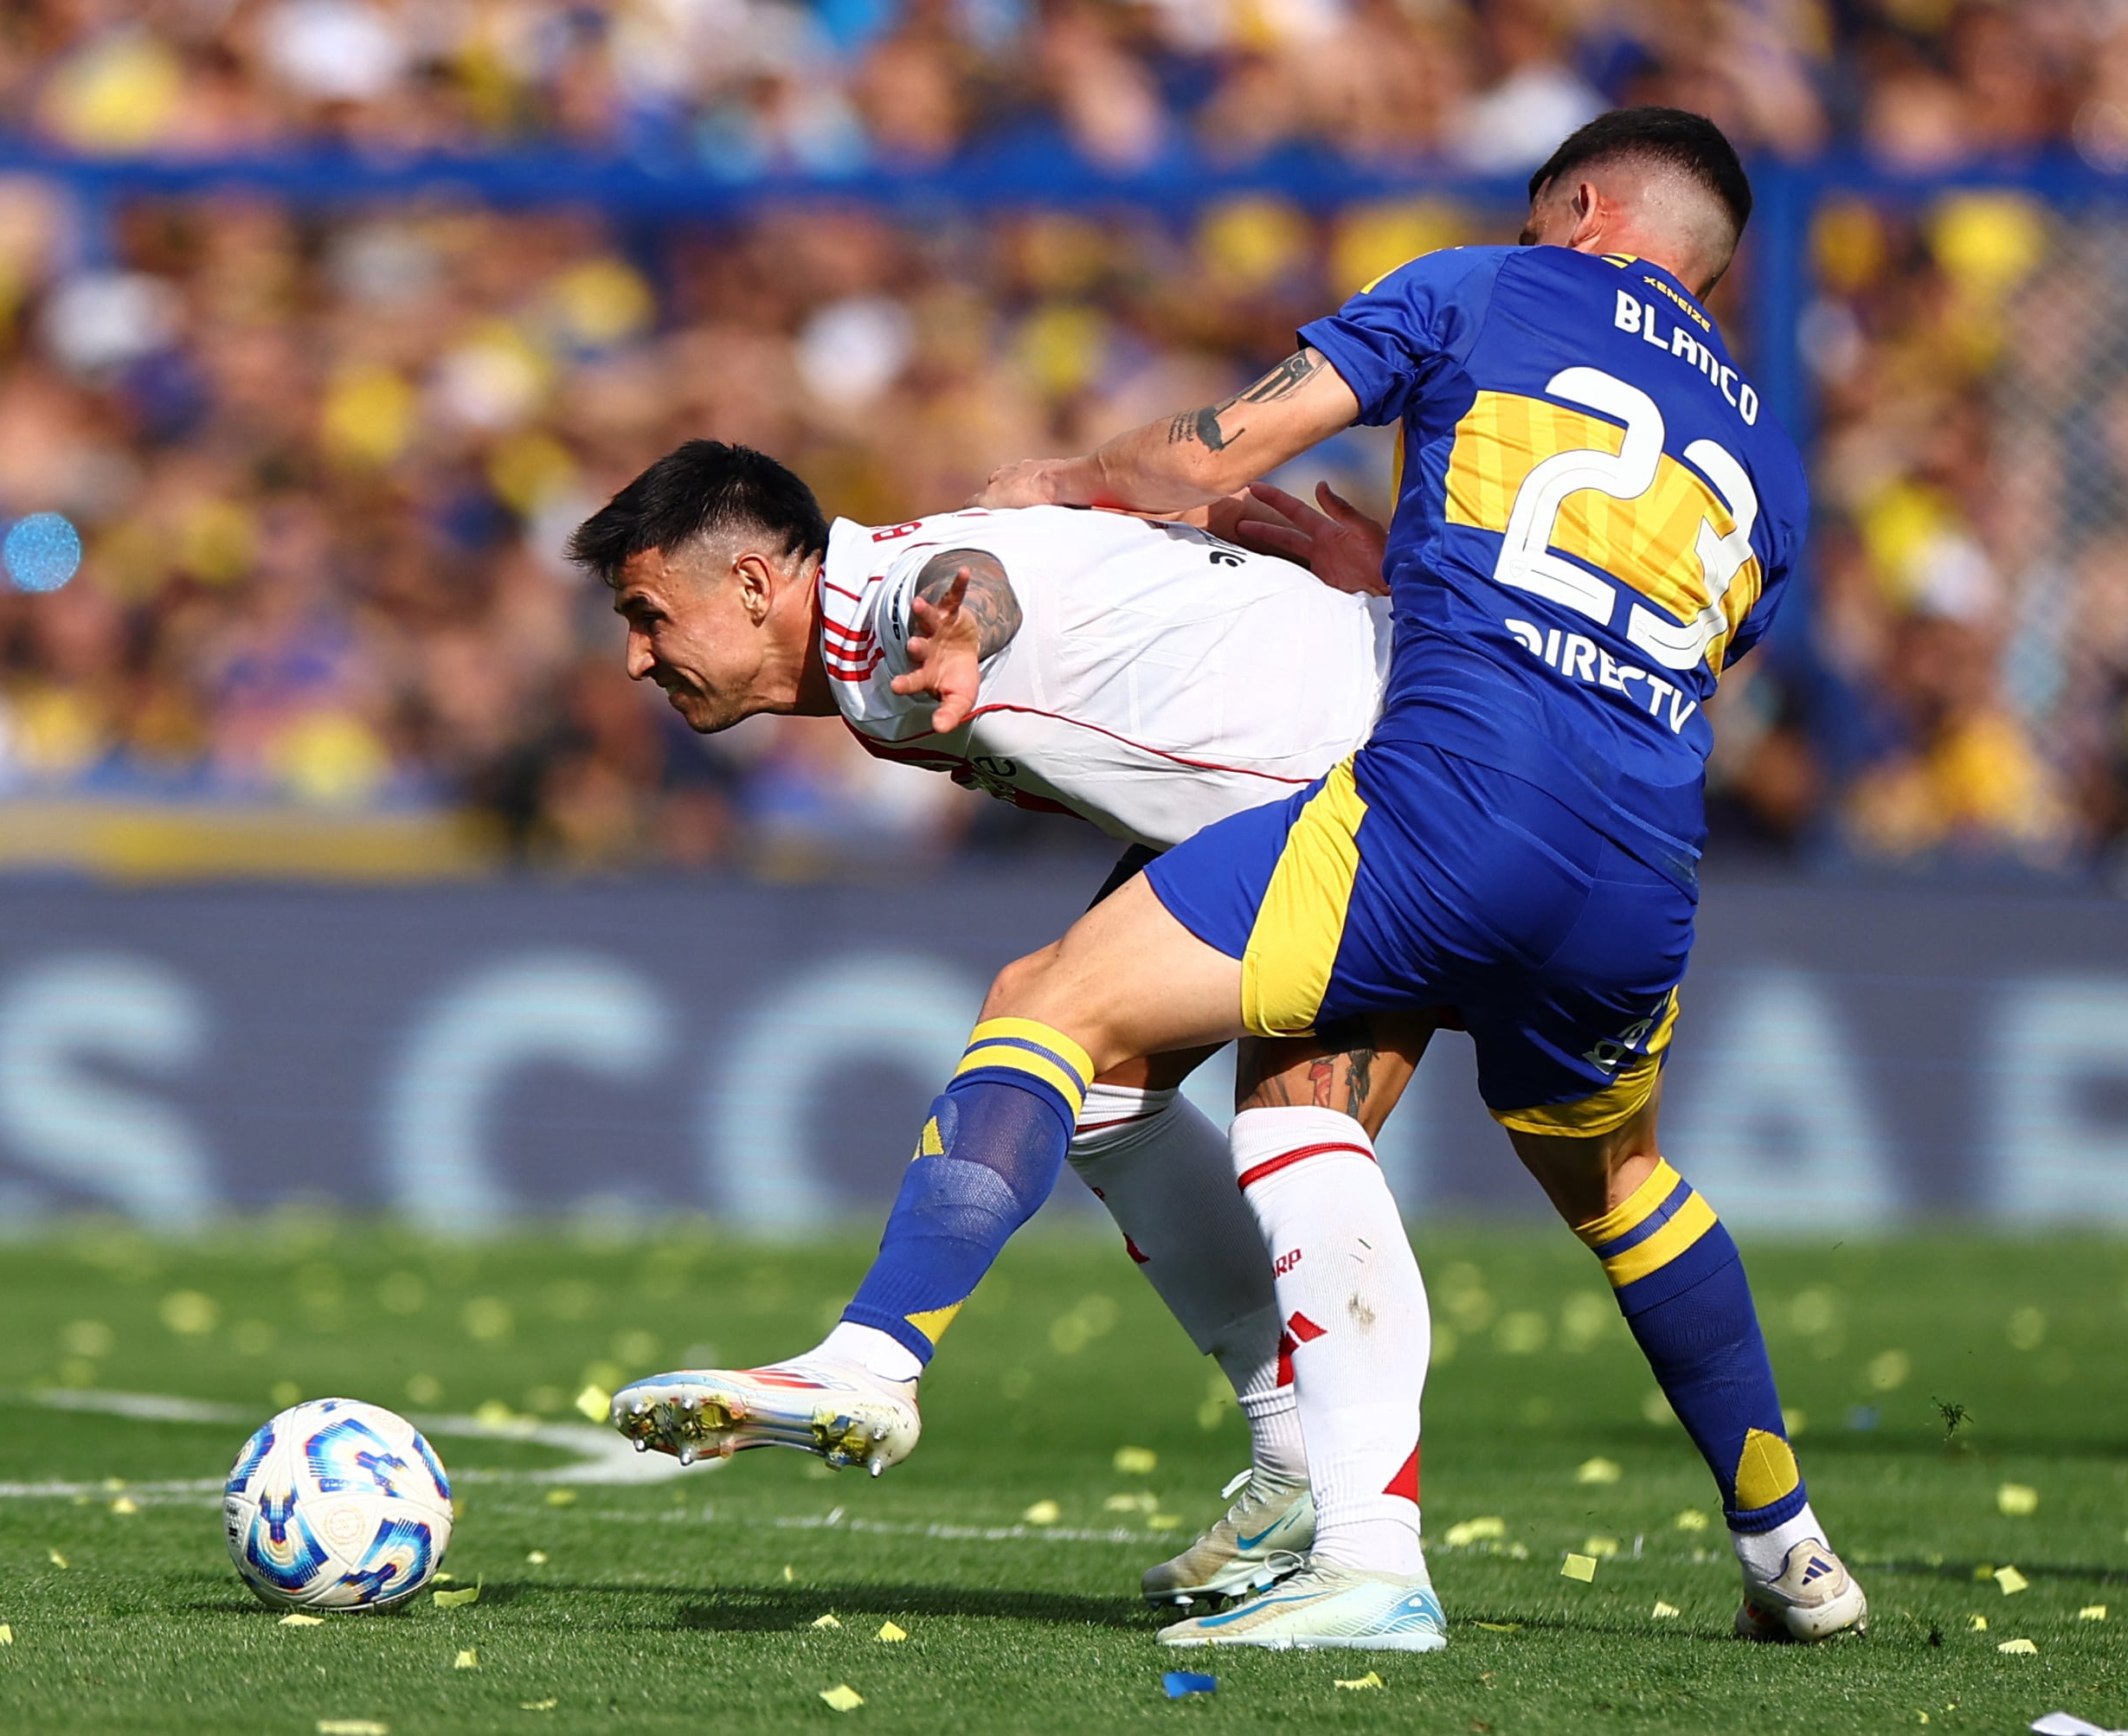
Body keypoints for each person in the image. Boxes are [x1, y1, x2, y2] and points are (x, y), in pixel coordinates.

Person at [612, 106, 1869, 1653]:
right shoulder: (1768, 458)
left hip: (1435, 798)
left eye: (1539, 215)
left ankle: (968, 1392)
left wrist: (1066, 477)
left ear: (1583, 207)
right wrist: (1396, 599)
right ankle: (1790, 1550)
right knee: (1620, 1191)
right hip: (1638, 856)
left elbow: (1164, 478)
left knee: (1085, 1021)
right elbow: (1624, 629)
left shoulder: (1482, 286)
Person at [569, 440, 1438, 1616]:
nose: (634, 659)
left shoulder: (882, 605)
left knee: (1044, 1012)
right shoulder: (870, 623)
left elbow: (967, 580)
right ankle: (1766, 1546)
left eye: (647, 615)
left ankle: (875, 1358)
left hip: (1391, 781)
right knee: (1098, 1086)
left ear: (756, 587)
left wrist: (966, 625)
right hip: (1350, 768)